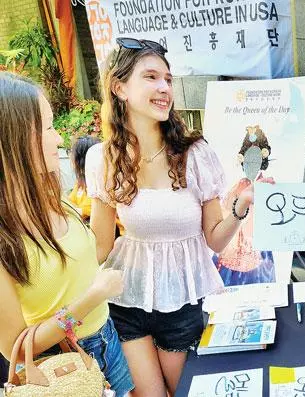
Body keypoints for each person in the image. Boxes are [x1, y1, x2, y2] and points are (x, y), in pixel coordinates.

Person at [86, 38, 266, 396]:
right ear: (119, 87)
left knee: (189, 391)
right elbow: (100, 248)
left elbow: (215, 238)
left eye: (167, 79)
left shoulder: (194, 153)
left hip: (181, 302)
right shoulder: (101, 158)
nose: (164, 88)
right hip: (125, 300)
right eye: (151, 77)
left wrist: (241, 206)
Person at [0, 72, 133, 396]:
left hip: (106, 339)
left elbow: (93, 252)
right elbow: (15, 349)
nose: (59, 138)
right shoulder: (5, 235)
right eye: (47, 127)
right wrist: (93, 297)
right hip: (59, 369)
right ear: (14, 136)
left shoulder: (52, 196)